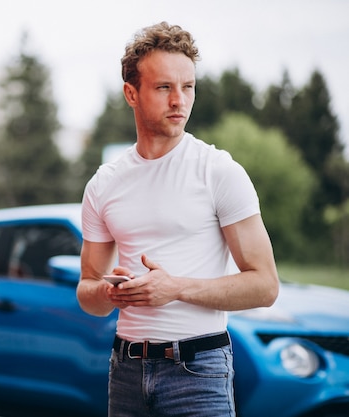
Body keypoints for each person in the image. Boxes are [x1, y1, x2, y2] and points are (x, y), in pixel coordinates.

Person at [76, 22, 279, 417]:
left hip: (198, 370)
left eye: (188, 87)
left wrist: (175, 288)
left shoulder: (219, 171)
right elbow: (88, 290)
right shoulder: (104, 184)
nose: (179, 101)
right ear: (131, 93)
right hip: (126, 370)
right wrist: (109, 295)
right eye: (164, 87)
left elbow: (265, 285)